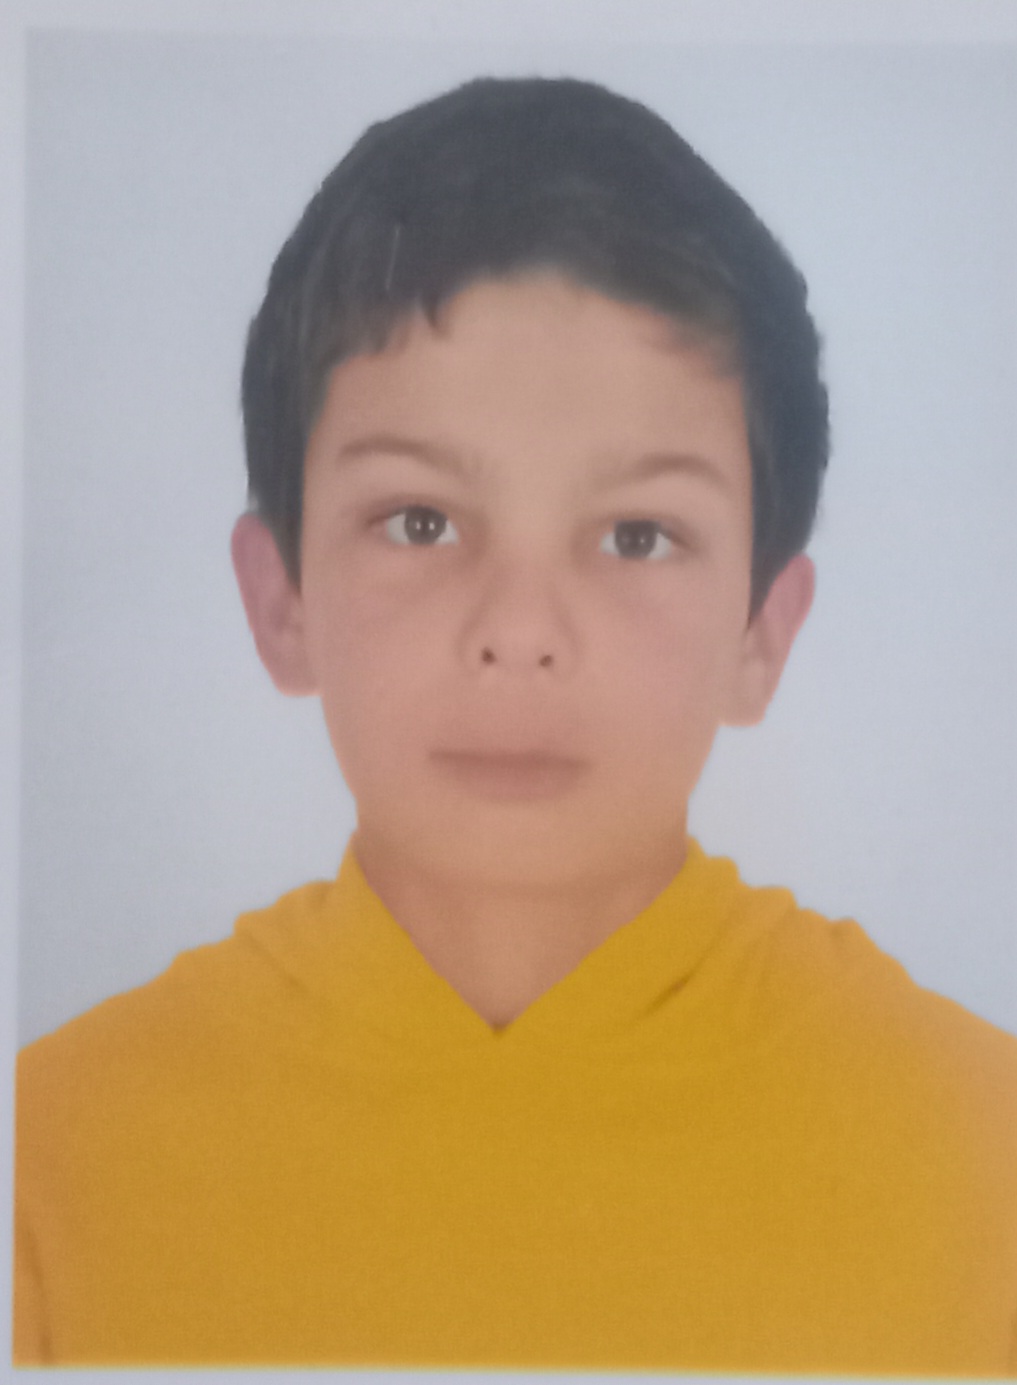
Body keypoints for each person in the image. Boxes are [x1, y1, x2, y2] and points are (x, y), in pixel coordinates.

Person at [14, 75, 1017, 1371]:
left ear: (762, 631)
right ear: (281, 601)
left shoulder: (977, 1159)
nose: (521, 627)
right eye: (420, 520)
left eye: (637, 535)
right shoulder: (53, 1162)